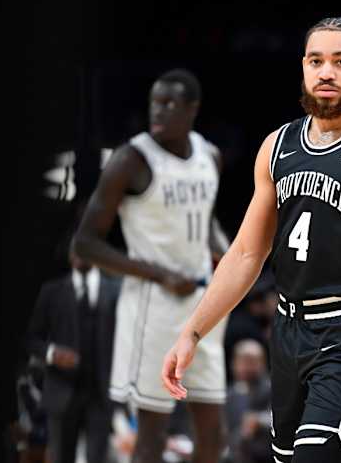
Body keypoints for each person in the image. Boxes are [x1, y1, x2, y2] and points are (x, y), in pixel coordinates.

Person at [162, 17, 341, 463]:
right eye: (316, 61)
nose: (326, 71)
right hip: (288, 330)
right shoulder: (277, 145)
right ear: (303, 68)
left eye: (340, 61)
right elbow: (247, 252)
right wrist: (192, 332)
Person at [73, 68, 229, 463]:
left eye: (170, 104)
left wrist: (224, 249)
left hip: (204, 303)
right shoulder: (131, 158)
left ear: (193, 109)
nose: (158, 111)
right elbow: (85, 243)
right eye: (154, 103)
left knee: (213, 432)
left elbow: (204, 218)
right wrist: (160, 273)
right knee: (152, 436)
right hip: (153, 304)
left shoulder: (210, 155)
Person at [26, 245, 120, 463]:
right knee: (60, 457)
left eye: (85, 247)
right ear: (69, 254)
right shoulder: (52, 291)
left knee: (99, 457)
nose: (80, 254)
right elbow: (30, 339)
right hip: (62, 390)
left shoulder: (115, 290)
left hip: (102, 393)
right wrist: (51, 353)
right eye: (75, 249)